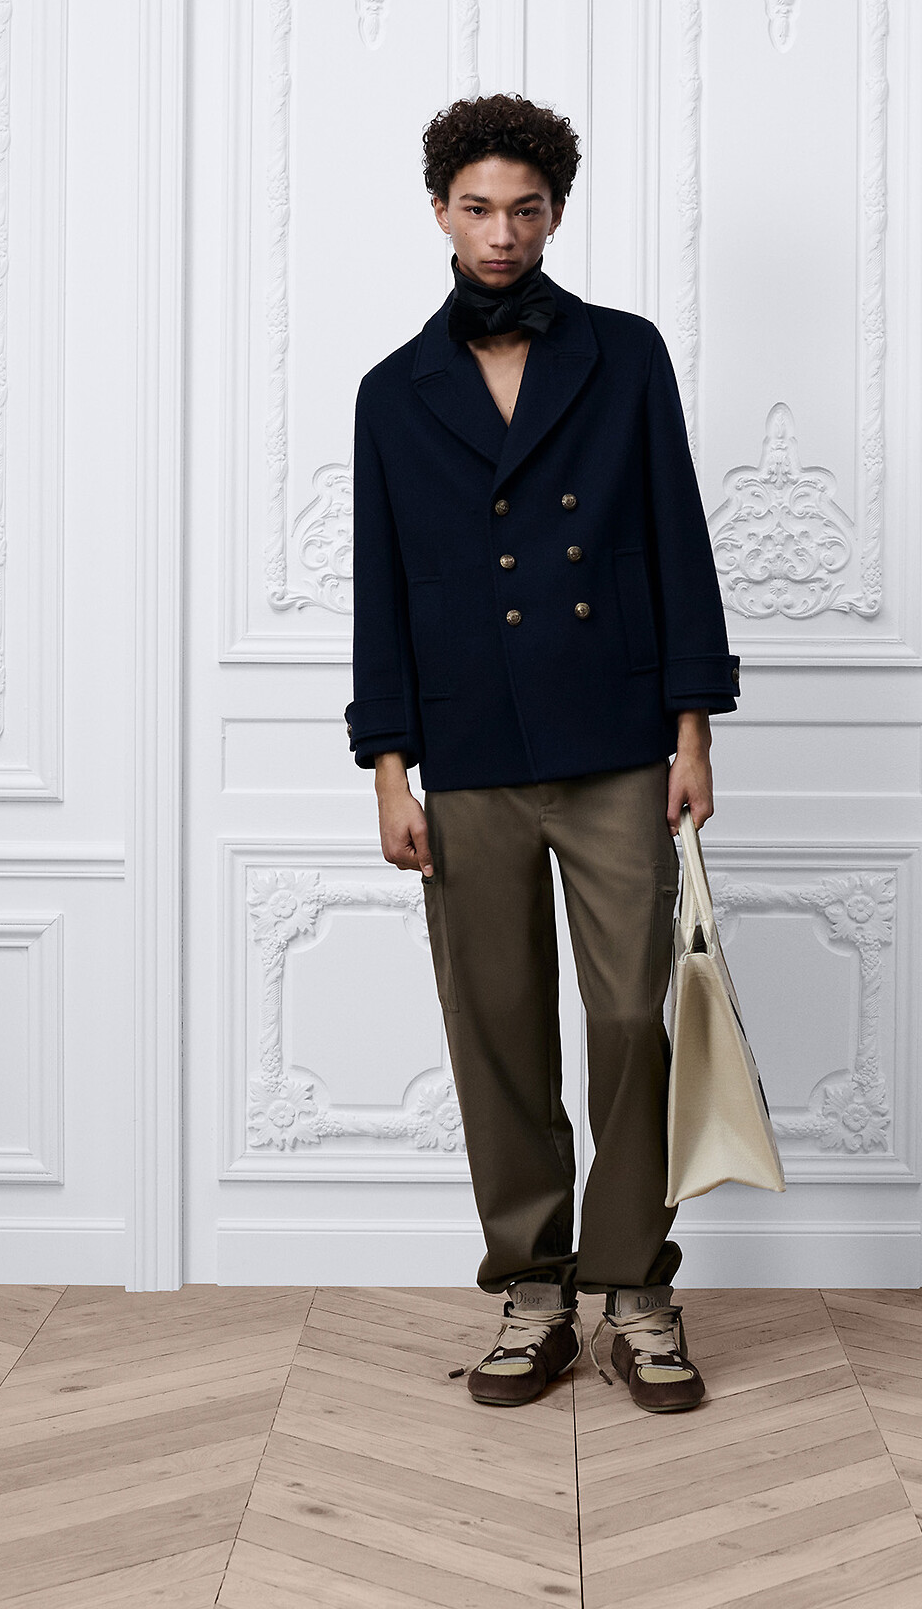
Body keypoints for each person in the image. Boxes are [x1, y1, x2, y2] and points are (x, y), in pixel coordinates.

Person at [344, 93, 740, 1413]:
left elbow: (677, 539)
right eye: (477, 208)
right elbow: (383, 589)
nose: (501, 232)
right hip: (465, 750)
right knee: (498, 1029)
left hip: (618, 740)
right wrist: (389, 766)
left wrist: (690, 728)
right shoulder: (393, 392)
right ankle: (531, 1285)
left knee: (630, 1019)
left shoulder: (625, 355)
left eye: (524, 208)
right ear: (439, 213)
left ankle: (633, 1285)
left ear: (555, 212)